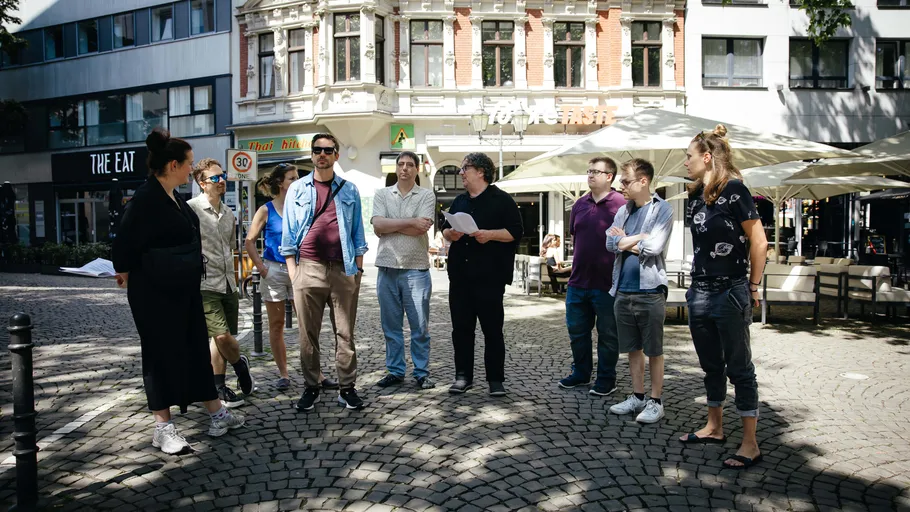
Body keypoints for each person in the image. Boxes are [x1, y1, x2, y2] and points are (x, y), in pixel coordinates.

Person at [112, 128, 243, 455]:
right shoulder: (145, 199)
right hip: (154, 295)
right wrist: (124, 270)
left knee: (195, 351)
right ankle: (163, 428)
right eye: (188, 163)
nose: (191, 169)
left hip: (184, 291)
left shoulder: (174, 198)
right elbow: (123, 246)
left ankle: (217, 411)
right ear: (173, 165)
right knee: (160, 357)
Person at [680, 124, 768, 470]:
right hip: (699, 290)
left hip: (730, 290)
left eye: (689, 156)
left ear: (706, 157)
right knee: (711, 365)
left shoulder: (735, 190)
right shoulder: (695, 196)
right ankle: (714, 427)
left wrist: (753, 286)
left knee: (740, 368)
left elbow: (759, 242)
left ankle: (750, 443)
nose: (685, 162)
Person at [281, 133, 368, 411]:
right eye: (317, 150)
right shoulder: (297, 189)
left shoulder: (350, 189)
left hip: (343, 270)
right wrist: (294, 273)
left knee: (345, 333)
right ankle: (311, 387)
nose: (322, 154)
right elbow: (288, 234)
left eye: (328, 150)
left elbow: (357, 233)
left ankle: (347, 388)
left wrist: (358, 270)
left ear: (336, 155)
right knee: (308, 335)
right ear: (311, 155)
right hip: (308, 268)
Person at [245, 163, 339, 392]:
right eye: (292, 178)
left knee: (308, 325)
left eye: (298, 177)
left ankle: (317, 374)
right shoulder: (266, 209)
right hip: (274, 271)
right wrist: (262, 268)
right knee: (276, 324)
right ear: (280, 183)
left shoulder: (302, 207)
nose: (297, 182)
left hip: (300, 269)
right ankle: (284, 374)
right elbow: (249, 241)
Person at [443, 152, 523, 396]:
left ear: (480, 171)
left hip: (490, 277)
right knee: (461, 330)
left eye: (465, 168)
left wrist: (490, 235)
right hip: (460, 277)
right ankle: (462, 377)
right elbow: (445, 229)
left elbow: (515, 232)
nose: (461, 173)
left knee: (492, 330)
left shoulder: (502, 200)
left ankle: (495, 380)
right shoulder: (459, 201)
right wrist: (450, 234)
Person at [605, 158, 674, 423]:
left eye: (625, 181)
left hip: (650, 289)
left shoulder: (662, 209)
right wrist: (637, 238)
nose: (620, 186)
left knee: (654, 349)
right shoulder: (624, 210)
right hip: (622, 289)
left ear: (643, 181)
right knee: (632, 348)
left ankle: (656, 401)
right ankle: (637, 396)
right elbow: (609, 243)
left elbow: (654, 248)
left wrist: (623, 240)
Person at [188, 159, 255, 408]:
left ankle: (219, 386)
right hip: (204, 284)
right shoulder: (191, 210)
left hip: (228, 282)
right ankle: (240, 365)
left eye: (223, 176)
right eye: (215, 178)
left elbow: (230, 247)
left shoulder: (228, 213)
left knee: (220, 340)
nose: (221, 181)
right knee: (222, 336)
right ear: (202, 183)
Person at [558, 157, 626, 396]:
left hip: (607, 283)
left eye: (596, 171)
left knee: (608, 335)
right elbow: (575, 238)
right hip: (578, 281)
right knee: (577, 332)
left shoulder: (621, 204)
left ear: (609, 176)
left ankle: (606, 379)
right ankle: (581, 373)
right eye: (589, 171)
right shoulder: (579, 204)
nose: (590, 175)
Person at [371, 151, 437, 390]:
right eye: (401, 164)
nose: (405, 168)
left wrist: (390, 226)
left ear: (417, 169)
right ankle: (396, 370)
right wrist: (410, 222)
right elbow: (378, 224)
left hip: (416, 269)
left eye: (410, 164)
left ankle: (421, 373)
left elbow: (421, 229)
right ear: (396, 168)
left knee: (419, 326)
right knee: (391, 326)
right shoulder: (382, 194)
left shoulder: (427, 195)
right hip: (387, 267)